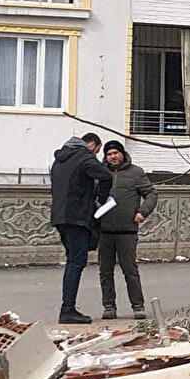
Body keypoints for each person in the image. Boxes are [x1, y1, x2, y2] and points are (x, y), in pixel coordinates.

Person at [50, 133, 113, 324]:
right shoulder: (84, 157)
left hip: (60, 217)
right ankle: (67, 309)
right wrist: (100, 201)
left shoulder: (59, 161)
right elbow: (106, 176)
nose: (96, 155)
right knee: (76, 263)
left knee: (72, 261)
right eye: (98, 151)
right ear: (92, 145)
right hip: (77, 218)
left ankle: (68, 307)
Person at [98, 140, 157, 320]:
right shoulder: (99, 172)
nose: (113, 156)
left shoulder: (136, 173)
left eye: (116, 153)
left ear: (122, 153)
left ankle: (138, 306)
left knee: (130, 270)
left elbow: (151, 194)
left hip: (127, 232)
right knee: (105, 271)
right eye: (109, 154)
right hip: (104, 231)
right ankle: (109, 306)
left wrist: (142, 212)